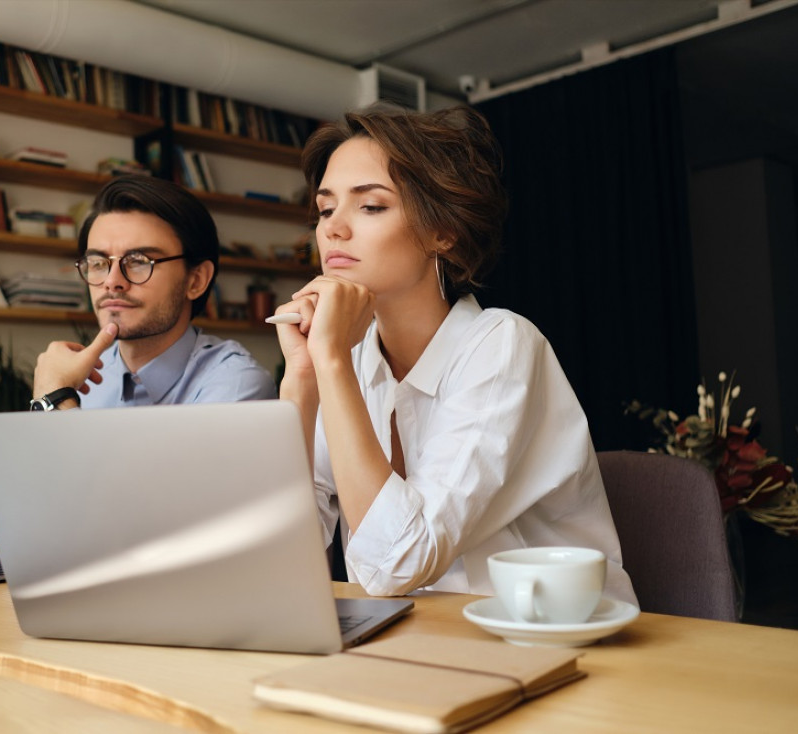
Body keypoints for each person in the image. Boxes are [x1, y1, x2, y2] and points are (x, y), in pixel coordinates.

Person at [270, 103, 637, 603]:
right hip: (409, 646)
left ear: (443, 233)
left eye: (371, 206)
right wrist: (303, 378)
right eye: (326, 207)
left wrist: (331, 361)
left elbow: (399, 565)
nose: (333, 228)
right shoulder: (347, 360)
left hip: (547, 641)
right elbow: (276, 556)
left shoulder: (503, 345)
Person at [0, 176, 277, 546]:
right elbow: (32, 504)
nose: (112, 281)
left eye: (139, 262)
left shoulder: (235, 384)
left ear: (196, 280)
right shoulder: (84, 378)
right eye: (98, 263)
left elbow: (149, 529)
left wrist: (55, 400)